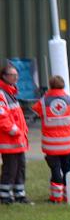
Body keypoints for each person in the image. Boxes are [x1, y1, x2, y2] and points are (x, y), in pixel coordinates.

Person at [31, 75, 70, 203]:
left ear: (50, 85)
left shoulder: (42, 102)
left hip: (51, 146)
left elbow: (35, 109)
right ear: (63, 85)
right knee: (67, 169)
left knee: (55, 169)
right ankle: (68, 194)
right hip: (68, 144)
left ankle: (56, 197)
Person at [0, 63, 30, 205]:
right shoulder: (2, 94)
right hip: (9, 140)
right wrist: (15, 130)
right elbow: (2, 117)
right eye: (12, 75)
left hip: (18, 140)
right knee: (10, 169)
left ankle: (20, 195)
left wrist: (22, 131)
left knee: (20, 168)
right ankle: (5, 195)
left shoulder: (11, 93)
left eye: (16, 74)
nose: (16, 77)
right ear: (4, 76)